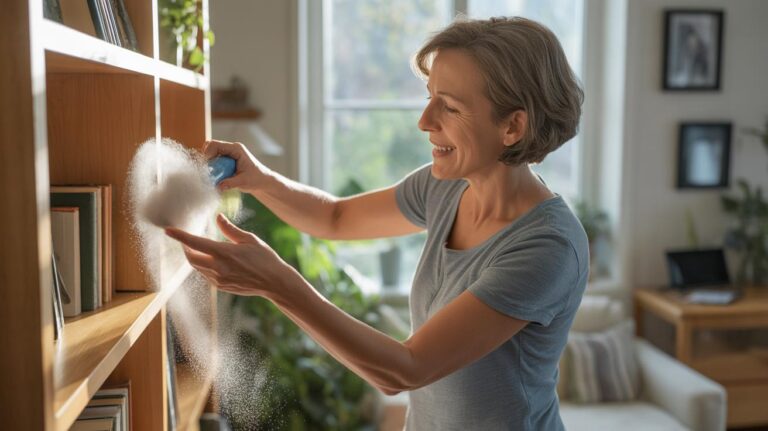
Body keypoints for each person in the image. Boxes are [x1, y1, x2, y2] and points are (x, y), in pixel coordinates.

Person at [166, 16, 587, 430]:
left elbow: (406, 369)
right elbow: (335, 217)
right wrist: (260, 179)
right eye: (430, 97)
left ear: (512, 126)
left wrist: (277, 283)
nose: (425, 121)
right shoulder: (445, 187)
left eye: (450, 106)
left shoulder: (547, 246)